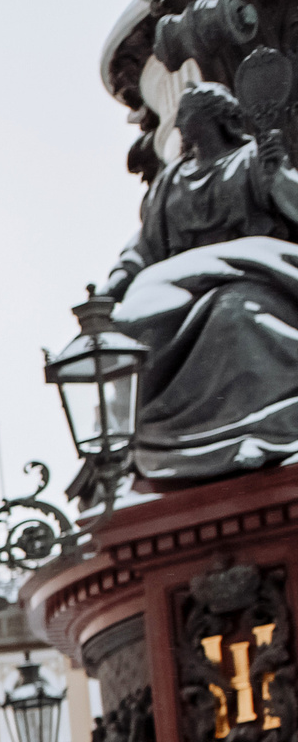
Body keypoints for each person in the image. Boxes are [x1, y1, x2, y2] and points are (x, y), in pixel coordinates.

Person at [109, 81, 298, 482]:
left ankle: (254, 431)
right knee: (138, 330)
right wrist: (116, 283)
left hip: (255, 280)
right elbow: (143, 248)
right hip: (185, 289)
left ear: (214, 118)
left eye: (189, 113)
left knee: (234, 317)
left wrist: (278, 175)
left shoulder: (250, 160)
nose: (179, 122)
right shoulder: (171, 180)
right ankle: (157, 444)